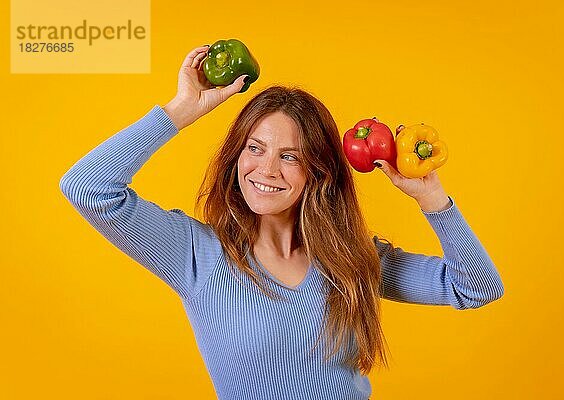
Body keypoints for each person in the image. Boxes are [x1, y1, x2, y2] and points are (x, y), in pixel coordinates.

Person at [59, 45, 505, 400]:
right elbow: (87, 187)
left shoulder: (354, 260)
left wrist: (431, 198)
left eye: (289, 156)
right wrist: (179, 110)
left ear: (319, 172)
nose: (267, 169)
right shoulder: (197, 255)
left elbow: (478, 287)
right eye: (255, 149)